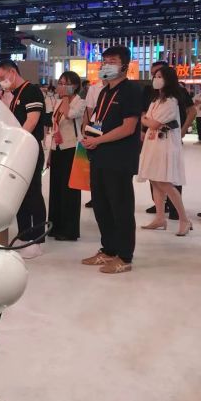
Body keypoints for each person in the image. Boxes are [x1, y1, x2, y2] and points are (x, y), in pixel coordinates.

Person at [80, 46, 141, 274]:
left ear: (124, 65)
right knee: (102, 206)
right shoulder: (105, 91)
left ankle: (124, 256)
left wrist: (99, 140)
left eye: (112, 61)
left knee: (121, 207)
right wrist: (90, 136)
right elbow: (100, 120)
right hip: (100, 156)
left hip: (119, 158)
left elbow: (129, 127)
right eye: (104, 61)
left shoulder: (131, 90)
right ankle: (108, 249)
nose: (106, 65)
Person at [0, 61, 47, 258]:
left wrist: (18, 140)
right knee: (19, 194)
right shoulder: (14, 94)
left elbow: (32, 120)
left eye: (2, 78)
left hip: (29, 148)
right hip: (17, 150)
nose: (1, 82)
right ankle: (24, 235)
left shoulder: (31, 91)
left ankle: (37, 239)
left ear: (12, 72)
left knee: (33, 194)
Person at [138, 66, 192, 236]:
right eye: (155, 76)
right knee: (155, 180)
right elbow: (148, 119)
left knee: (164, 182)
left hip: (165, 144)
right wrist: (147, 120)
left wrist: (145, 119)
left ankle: (184, 219)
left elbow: (152, 122)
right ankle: (160, 217)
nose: (156, 79)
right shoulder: (156, 100)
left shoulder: (171, 101)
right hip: (153, 142)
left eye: (160, 76)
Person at [47, 72, 86, 242]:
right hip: (57, 147)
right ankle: (55, 225)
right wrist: (50, 151)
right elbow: (54, 125)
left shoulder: (80, 102)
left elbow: (69, 114)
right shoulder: (57, 102)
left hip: (71, 148)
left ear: (75, 86)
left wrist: (64, 98)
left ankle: (69, 230)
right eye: (61, 82)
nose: (62, 86)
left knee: (69, 190)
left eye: (66, 83)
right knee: (56, 188)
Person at [82, 78, 106, 208]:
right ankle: (95, 196)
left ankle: (106, 196)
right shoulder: (94, 88)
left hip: (109, 127)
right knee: (94, 163)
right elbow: (89, 110)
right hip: (95, 126)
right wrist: (85, 128)